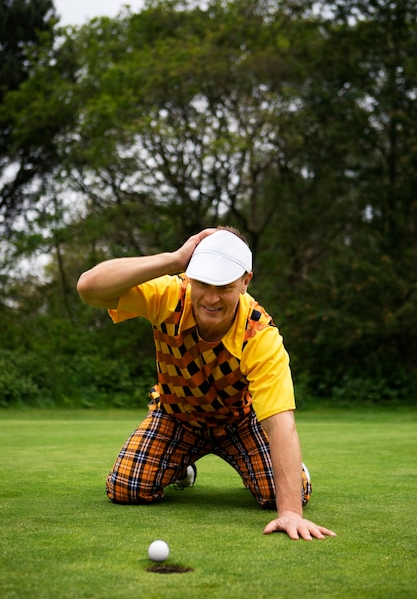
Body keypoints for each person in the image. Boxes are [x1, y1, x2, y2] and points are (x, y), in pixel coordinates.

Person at [77, 226, 336, 541]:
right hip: (175, 415)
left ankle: (300, 474)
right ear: (190, 275)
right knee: (125, 487)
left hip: (239, 422)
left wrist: (291, 513)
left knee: (276, 496)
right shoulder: (170, 294)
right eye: (203, 282)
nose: (211, 298)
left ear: (245, 281)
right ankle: (180, 468)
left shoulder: (259, 334)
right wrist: (173, 260)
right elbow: (89, 288)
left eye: (224, 286)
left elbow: (281, 423)